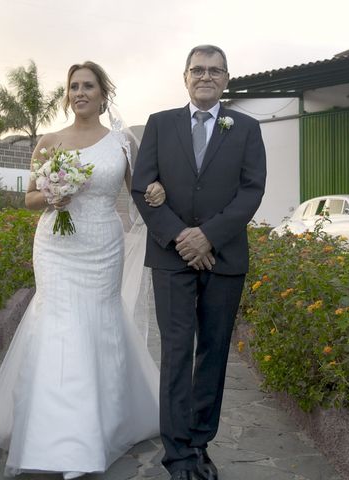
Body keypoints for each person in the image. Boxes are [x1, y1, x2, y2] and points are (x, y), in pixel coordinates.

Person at [0, 61, 165, 478]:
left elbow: (139, 192)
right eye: (73, 86)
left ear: (102, 93)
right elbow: (30, 200)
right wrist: (54, 196)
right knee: (60, 325)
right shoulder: (50, 141)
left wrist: (158, 189)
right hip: (57, 246)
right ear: (67, 95)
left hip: (103, 245)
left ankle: (103, 424)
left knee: (97, 324)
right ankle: (58, 436)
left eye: (88, 86)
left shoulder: (123, 143)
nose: (80, 92)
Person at [131, 45, 267, 480]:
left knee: (213, 353)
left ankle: (199, 443)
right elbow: (142, 187)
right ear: (185, 77)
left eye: (214, 70)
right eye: (198, 70)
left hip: (224, 258)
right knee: (175, 354)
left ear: (227, 78)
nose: (205, 76)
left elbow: (251, 190)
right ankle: (177, 455)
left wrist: (208, 235)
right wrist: (180, 236)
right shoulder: (159, 124)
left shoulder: (245, 127)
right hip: (171, 260)